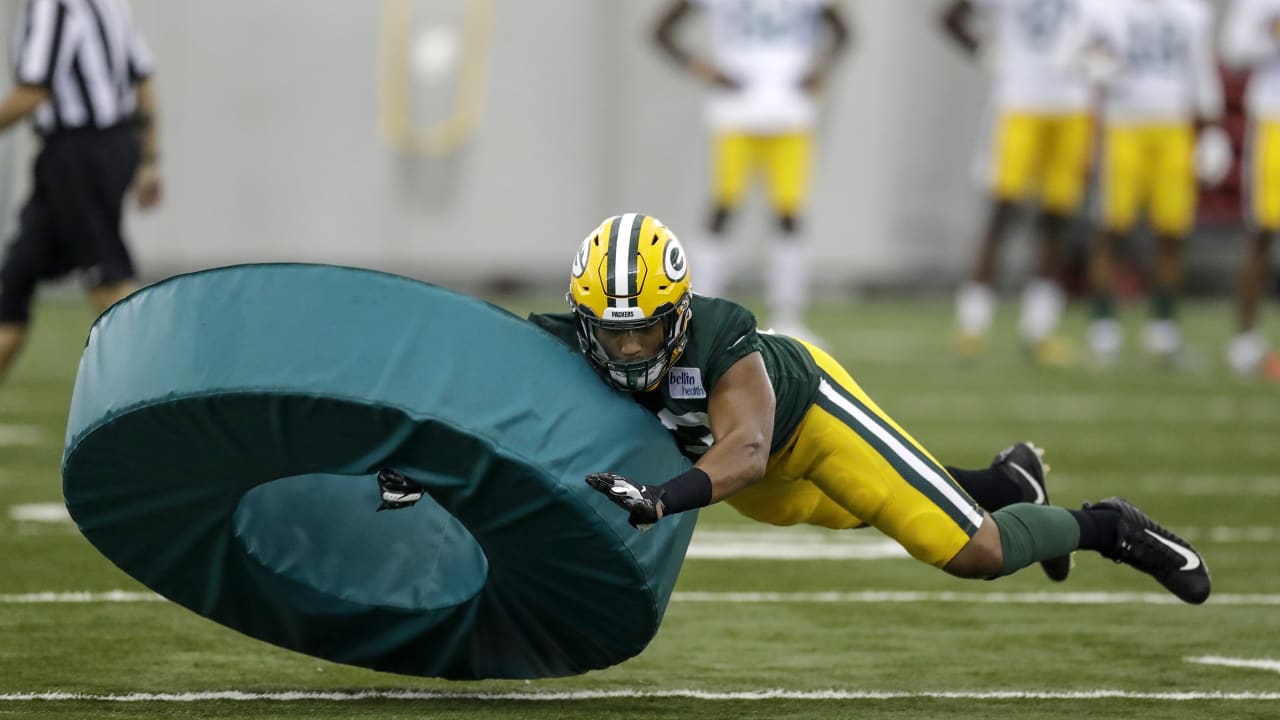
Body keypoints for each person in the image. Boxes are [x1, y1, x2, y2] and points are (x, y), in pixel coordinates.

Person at [383, 213, 1213, 607]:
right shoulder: (563, 341)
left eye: (647, 333)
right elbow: (489, 413)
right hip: (750, 485)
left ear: (681, 313)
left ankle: (1110, 526)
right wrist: (423, 465)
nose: (630, 352)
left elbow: (743, 448)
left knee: (967, 549)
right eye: (613, 332)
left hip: (804, 422)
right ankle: (1006, 477)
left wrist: (663, 499)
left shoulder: (722, 335)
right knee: (882, 506)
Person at [651, 0, 850, 343]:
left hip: (790, 114)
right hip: (736, 114)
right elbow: (661, 31)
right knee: (724, 207)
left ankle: (789, 316)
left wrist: (821, 68)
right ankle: (698, 309)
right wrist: (702, 68)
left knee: (789, 212)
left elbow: (843, 31)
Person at [1057, 0, 1229, 366]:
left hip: (1174, 127)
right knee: (1110, 229)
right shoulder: (1103, 9)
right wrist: (1093, 65)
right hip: (1123, 125)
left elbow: (1201, 71)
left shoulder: (1190, 13)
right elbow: (1066, 58)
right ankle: (1104, 332)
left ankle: (1163, 333)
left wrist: (1212, 127)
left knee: (1172, 231)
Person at [0, 0, 162, 386]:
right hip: (102, 147)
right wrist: (150, 156)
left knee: (107, 273)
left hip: (79, 151)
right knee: (16, 278)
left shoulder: (53, 5)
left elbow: (34, 88)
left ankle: (165, 394)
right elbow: (143, 78)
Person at [942, 0, 1096, 365]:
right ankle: (972, 323)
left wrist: (1097, 60)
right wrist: (984, 51)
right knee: (1002, 214)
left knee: (1057, 219)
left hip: (1073, 105)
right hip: (1019, 104)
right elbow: (950, 16)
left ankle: (1040, 329)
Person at [1221, 0, 1280, 377]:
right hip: (1275, 116)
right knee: (1262, 229)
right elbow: (1233, 49)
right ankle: (1245, 342)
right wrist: (1271, 34)